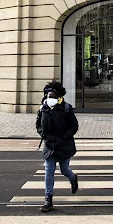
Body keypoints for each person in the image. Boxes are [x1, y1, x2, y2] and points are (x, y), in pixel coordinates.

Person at [35, 80, 79, 212]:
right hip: (49, 145)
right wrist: (43, 134)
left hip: (64, 144)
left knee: (64, 170)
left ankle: (73, 178)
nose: (51, 99)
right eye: (49, 96)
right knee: (49, 170)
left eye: (54, 97)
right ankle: (48, 199)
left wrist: (65, 137)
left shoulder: (66, 108)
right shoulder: (43, 109)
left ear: (59, 98)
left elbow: (74, 126)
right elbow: (38, 125)